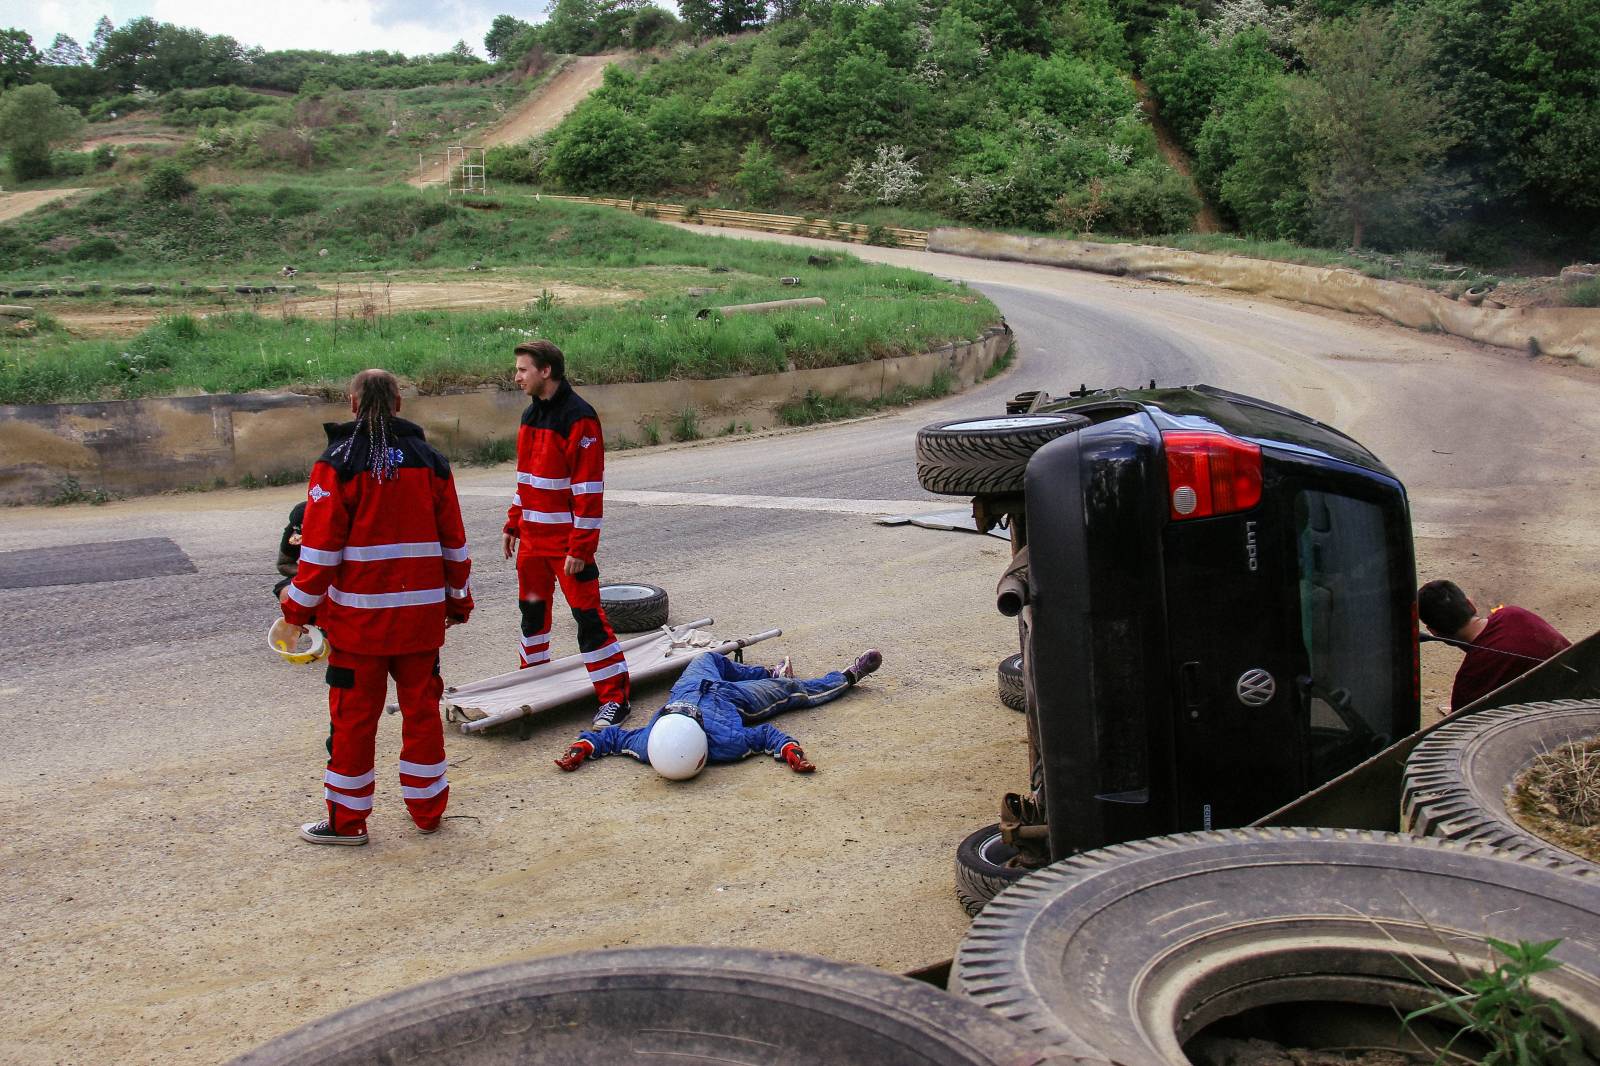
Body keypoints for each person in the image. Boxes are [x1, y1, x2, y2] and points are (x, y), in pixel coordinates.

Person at [279, 368, 474, 846]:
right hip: (421, 623)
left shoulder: (337, 464)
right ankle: (428, 812)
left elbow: (319, 555)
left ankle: (347, 824)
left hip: (359, 627)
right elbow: (455, 545)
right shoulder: (432, 461)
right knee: (422, 714)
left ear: (351, 404)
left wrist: (295, 612)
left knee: (353, 722)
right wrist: (457, 601)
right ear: (399, 404)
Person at [502, 339, 631, 729]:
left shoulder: (580, 419)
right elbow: (524, 478)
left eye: (523, 369)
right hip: (533, 545)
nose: (516, 376)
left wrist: (581, 547)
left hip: (566, 549)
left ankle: (615, 697)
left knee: (589, 620)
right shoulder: (529, 416)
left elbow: (589, 490)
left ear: (546, 371)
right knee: (533, 618)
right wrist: (513, 521)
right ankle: (535, 686)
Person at [554, 649, 883, 778]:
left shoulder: (649, 745)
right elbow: (767, 735)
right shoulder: (728, 744)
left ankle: (768, 671)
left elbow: (610, 739)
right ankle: (847, 677)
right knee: (794, 692)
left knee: (706, 658)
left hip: (690, 687)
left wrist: (581, 749)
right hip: (733, 698)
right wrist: (792, 752)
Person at [1417, 579, 1571, 713]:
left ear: (1433, 631)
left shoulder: (1470, 679)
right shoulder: (1514, 613)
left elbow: (1462, 727)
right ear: (1471, 604)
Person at [272, 501, 306, 601]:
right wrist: (309, 571)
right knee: (287, 592)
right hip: (315, 574)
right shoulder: (294, 531)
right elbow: (284, 564)